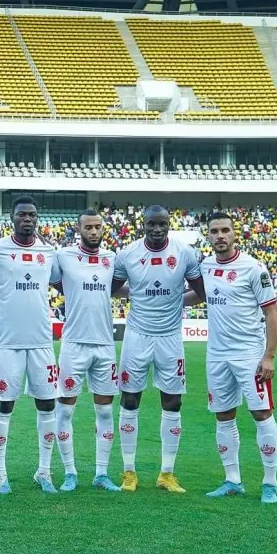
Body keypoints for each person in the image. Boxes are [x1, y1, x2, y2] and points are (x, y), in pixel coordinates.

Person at [112, 205, 204, 493]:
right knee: (129, 400)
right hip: (137, 336)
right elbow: (113, 289)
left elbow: (201, 293)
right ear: (143, 224)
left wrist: (178, 302)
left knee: (173, 402)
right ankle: (129, 471)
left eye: (162, 224)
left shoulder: (185, 253)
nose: (157, 229)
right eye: (151, 224)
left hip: (170, 338)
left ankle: (167, 473)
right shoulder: (127, 254)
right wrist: (137, 296)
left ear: (169, 224)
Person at [192, 212, 277, 503]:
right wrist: (158, 297)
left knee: (261, 413)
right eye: (214, 231)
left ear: (234, 233)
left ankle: (270, 482)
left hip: (249, 354)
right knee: (223, 415)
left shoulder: (253, 268)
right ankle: (232, 480)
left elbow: (271, 312)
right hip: (217, 355)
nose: (220, 235)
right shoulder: (205, 266)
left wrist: (268, 356)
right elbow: (200, 296)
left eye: (225, 230)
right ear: (208, 235)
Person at [0, 195, 58, 495]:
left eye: (33, 214)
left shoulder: (49, 252)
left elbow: (65, 283)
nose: (28, 218)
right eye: (22, 214)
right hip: (9, 343)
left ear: (38, 218)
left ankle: (44, 471)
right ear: (12, 218)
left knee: (47, 403)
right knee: (4, 405)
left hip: (41, 343)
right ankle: (0, 473)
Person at [50, 209, 126, 492]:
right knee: (65, 411)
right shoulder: (63, 257)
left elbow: (117, 288)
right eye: (88, 227)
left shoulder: (112, 259)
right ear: (78, 229)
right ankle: (70, 472)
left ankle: (101, 474)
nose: (94, 232)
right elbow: (58, 284)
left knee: (105, 411)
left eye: (98, 227)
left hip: (105, 345)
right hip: (74, 345)